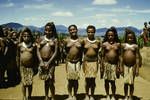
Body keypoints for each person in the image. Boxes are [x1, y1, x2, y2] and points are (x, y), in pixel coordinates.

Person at [37, 22, 58, 100]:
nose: (48, 32)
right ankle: (46, 96)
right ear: (44, 30)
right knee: (46, 80)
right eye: (46, 30)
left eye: (50, 30)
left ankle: (53, 96)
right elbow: (37, 51)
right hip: (43, 62)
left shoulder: (55, 39)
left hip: (51, 63)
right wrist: (41, 61)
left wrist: (49, 63)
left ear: (52, 31)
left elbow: (55, 52)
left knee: (51, 81)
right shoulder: (41, 38)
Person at [17, 27, 37, 100]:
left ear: (30, 37)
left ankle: (29, 96)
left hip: (30, 67)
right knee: (24, 83)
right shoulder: (20, 45)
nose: (26, 37)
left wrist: (35, 66)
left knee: (30, 83)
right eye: (24, 36)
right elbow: (18, 56)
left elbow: (35, 57)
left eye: (28, 36)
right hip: (22, 67)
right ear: (22, 36)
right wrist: (18, 66)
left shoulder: (33, 45)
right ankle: (24, 96)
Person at [100, 27, 121, 100]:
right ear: (107, 36)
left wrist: (119, 66)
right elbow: (102, 56)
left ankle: (113, 95)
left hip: (114, 65)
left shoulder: (118, 44)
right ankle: (107, 95)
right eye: (109, 35)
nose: (110, 37)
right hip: (106, 64)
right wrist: (102, 66)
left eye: (112, 35)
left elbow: (119, 57)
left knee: (113, 82)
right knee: (106, 81)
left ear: (114, 35)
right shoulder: (104, 44)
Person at [64, 24, 83, 100]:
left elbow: (82, 52)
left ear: (77, 30)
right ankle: (69, 95)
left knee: (75, 80)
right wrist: (68, 59)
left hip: (77, 62)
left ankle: (75, 95)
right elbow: (64, 51)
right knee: (69, 80)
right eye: (71, 30)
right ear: (69, 31)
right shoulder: (66, 40)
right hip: (69, 62)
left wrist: (80, 61)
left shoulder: (81, 41)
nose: (72, 31)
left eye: (74, 29)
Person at [121, 28, 141, 100]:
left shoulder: (135, 46)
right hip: (125, 66)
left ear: (133, 38)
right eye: (128, 37)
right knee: (126, 82)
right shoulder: (123, 45)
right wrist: (121, 67)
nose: (130, 39)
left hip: (133, 66)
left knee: (131, 82)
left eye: (131, 38)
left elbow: (137, 58)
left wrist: (137, 69)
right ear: (126, 37)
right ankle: (126, 96)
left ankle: (131, 96)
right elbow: (121, 57)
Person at [83, 25, 100, 100]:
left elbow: (100, 52)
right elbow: (80, 51)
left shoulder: (98, 42)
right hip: (86, 62)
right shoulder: (84, 41)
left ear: (94, 32)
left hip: (94, 62)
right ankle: (87, 95)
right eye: (89, 32)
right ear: (87, 32)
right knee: (87, 80)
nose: (90, 33)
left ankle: (92, 95)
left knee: (93, 80)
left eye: (92, 32)